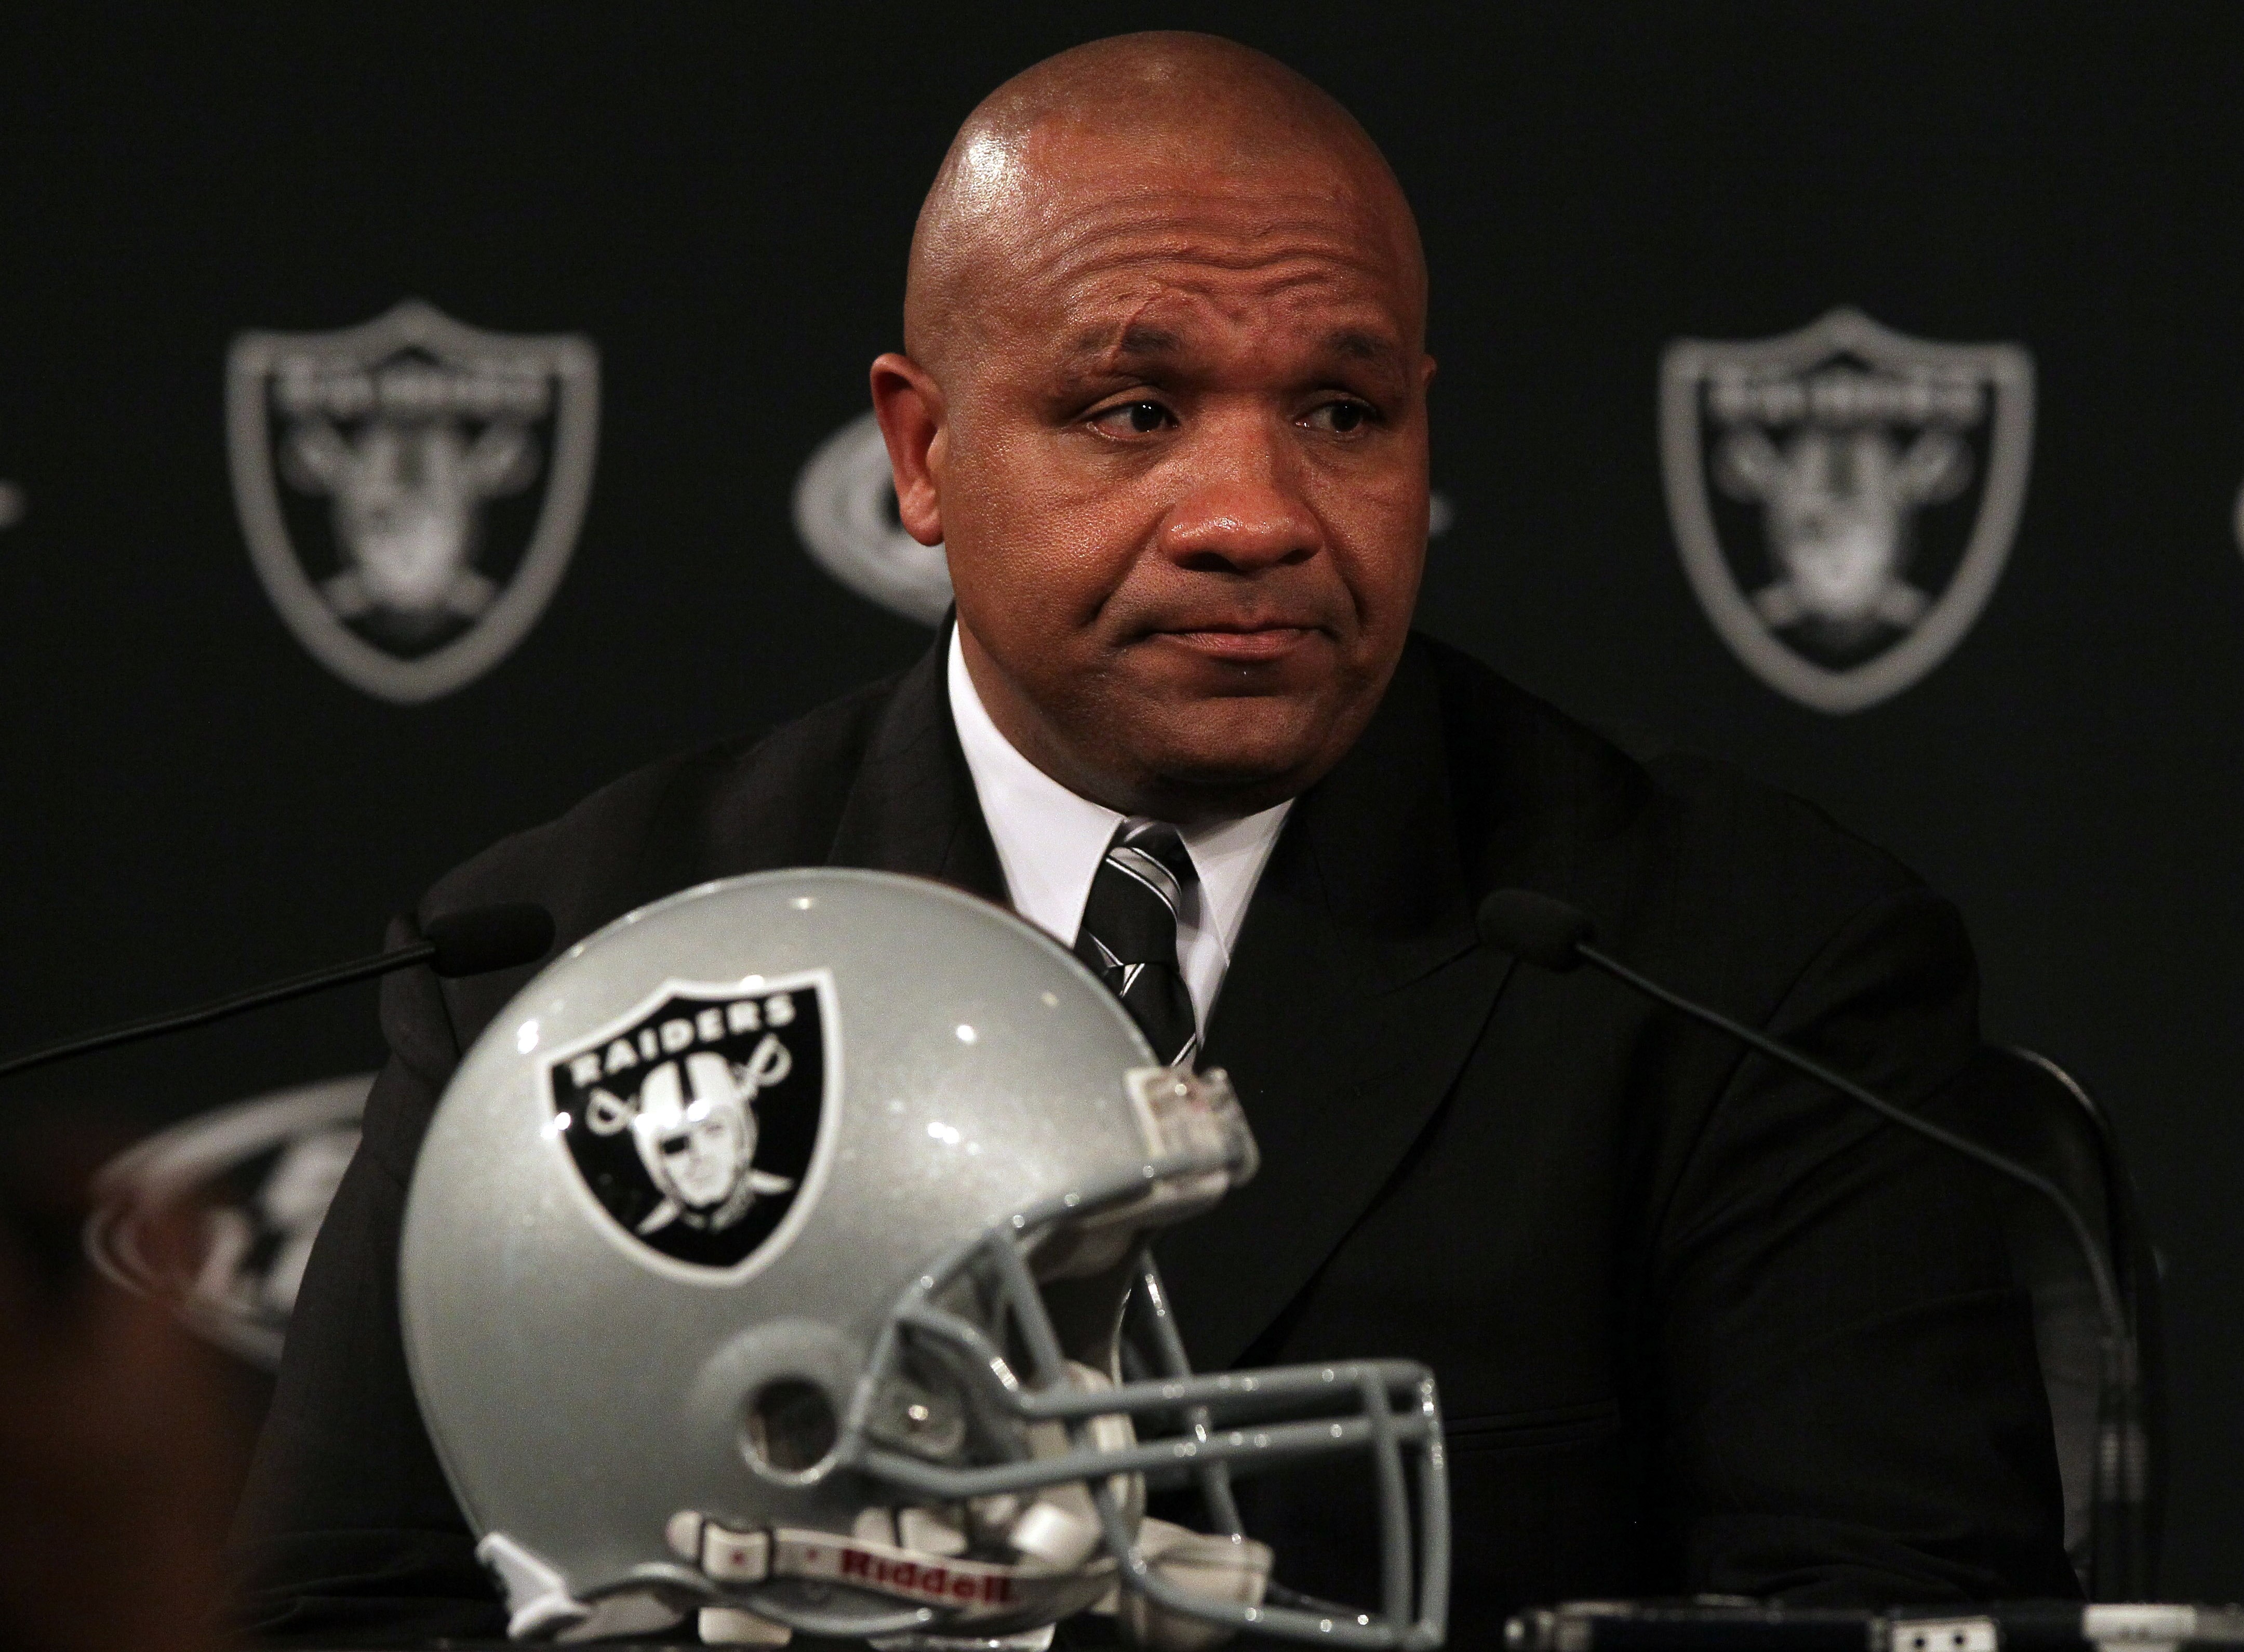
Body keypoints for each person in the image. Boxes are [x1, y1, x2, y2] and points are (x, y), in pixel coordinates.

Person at [232, 30, 2076, 1645]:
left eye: (1340, 413)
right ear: (924, 452)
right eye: (1137, 409)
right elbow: (343, 1611)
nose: (1255, 515)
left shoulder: (1746, 955)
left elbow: (1885, 1613)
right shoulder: (570, 954)